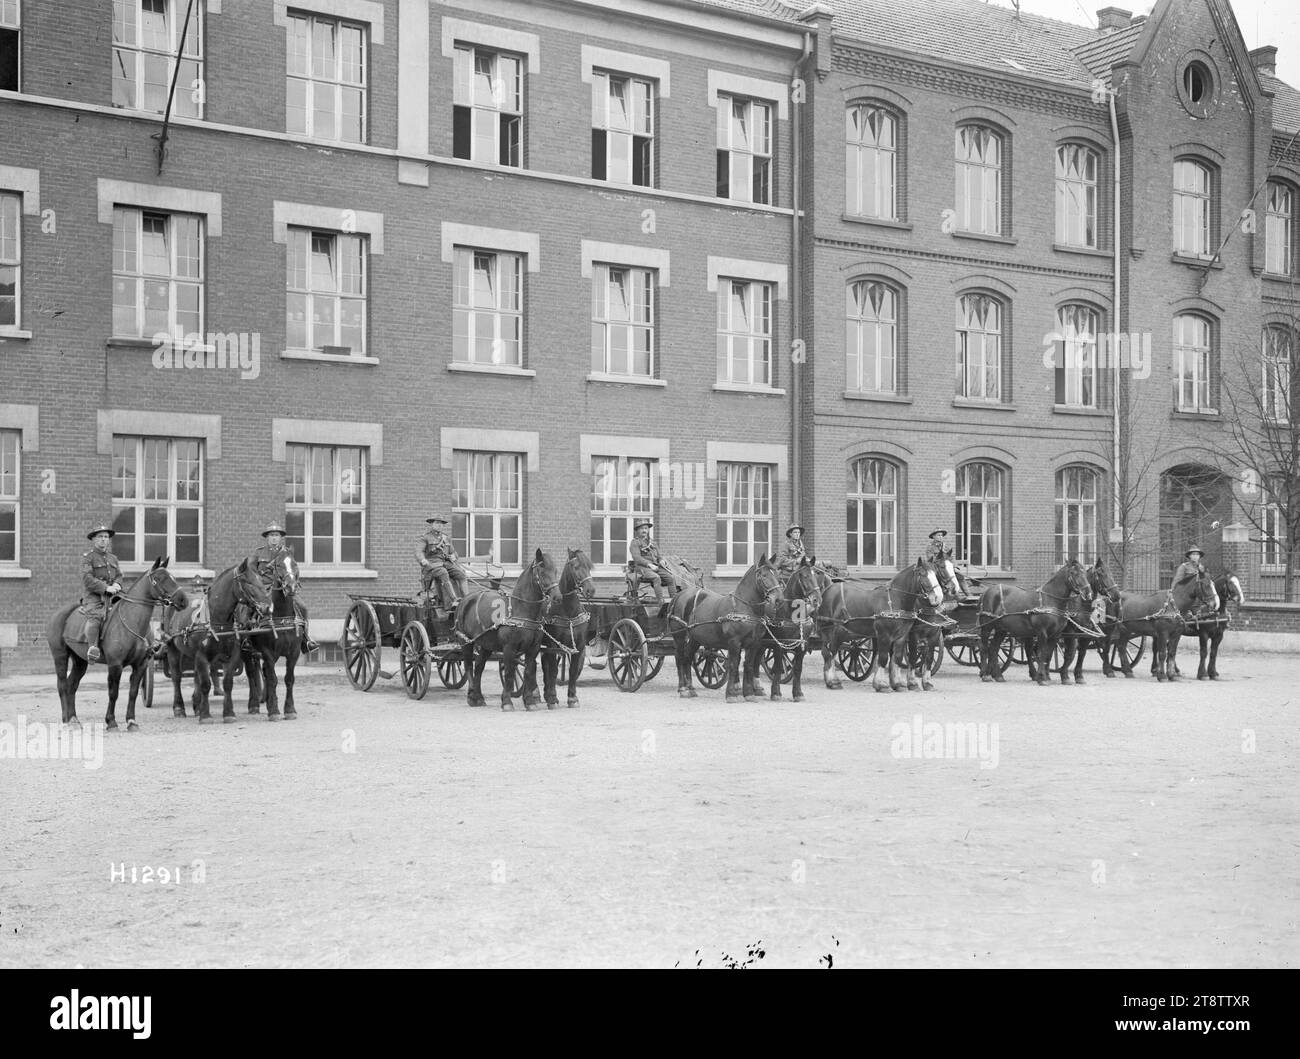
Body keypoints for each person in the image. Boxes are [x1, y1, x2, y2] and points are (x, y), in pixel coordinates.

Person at [250, 521, 318, 653]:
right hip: (263, 589)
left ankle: (306, 640)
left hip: (284, 589)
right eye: (271, 535)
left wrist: (293, 582)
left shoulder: (286, 553)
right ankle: (247, 639)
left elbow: (295, 569)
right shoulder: (259, 553)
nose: (274, 538)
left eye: (277, 535)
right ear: (267, 537)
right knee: (248, 608)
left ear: (281, 538)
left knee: (302, 608)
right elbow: (252, 572)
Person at [80, 524, 122, 663]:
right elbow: (87, 579)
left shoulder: (113, 558)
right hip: (95, 597)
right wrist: (105, 588)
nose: (103, 540)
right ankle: (93, 649)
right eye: (100, 537)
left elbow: (119, 575)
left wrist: (117, 584)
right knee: (96, 617)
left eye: (106, 537)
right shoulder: (88, 558)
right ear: (93, 540)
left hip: (113, 596)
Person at [417, 516, 468, 606]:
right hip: (432, 566)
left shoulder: (446, 538)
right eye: (437, 523)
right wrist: (423, 560)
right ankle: (454, 600)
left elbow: (454, 552)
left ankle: (467, 599)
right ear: (431, 524)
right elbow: (419, 551)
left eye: (441, 523)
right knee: (443, 573)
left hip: (445, 563)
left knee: (461, 575)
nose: (439, 525)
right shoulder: (425, 538)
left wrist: (454, 556)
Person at [628, 519, 669, 603]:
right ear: (637, 531)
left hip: (655, 567)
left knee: (671, 578)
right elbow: (637, 558)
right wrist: (649, 565)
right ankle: (660, 602)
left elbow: (659, 555)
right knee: (656, 577)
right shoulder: (635, 542)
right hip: (641, 568)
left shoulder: (653, 542)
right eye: (642, 528)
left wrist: (661, 560)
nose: (644, 530)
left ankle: (674, 601)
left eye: (646, 528)